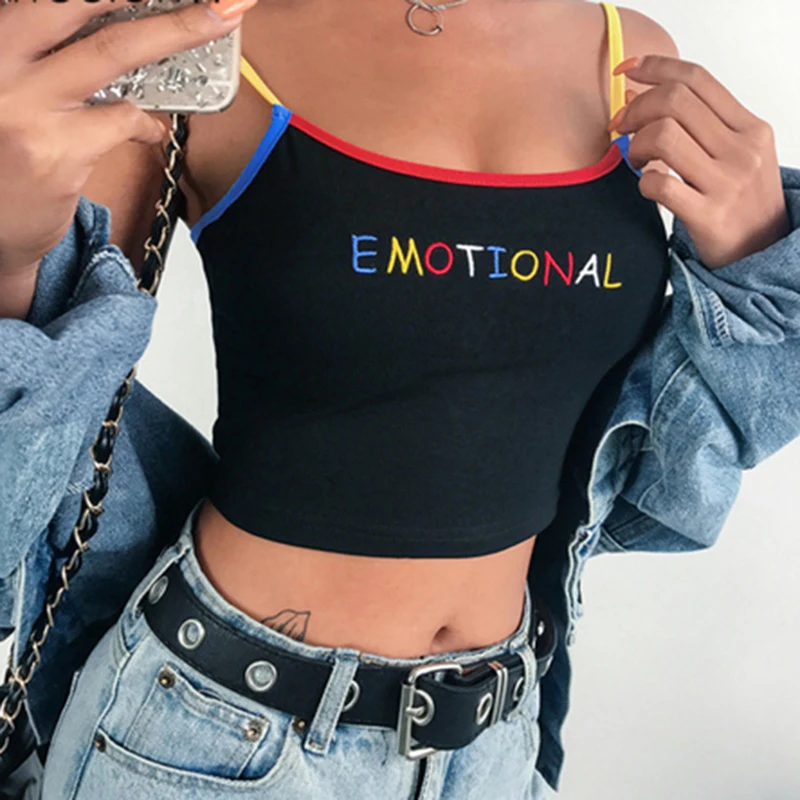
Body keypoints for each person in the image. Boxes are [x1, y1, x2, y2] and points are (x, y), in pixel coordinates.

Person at [1, 1, 796, 798]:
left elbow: (650, 484)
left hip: (493, 743)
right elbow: (49, 444)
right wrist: (4, 261)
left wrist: (759, 272)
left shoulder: (628, 56)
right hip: (211, 736)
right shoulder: (195, 42)